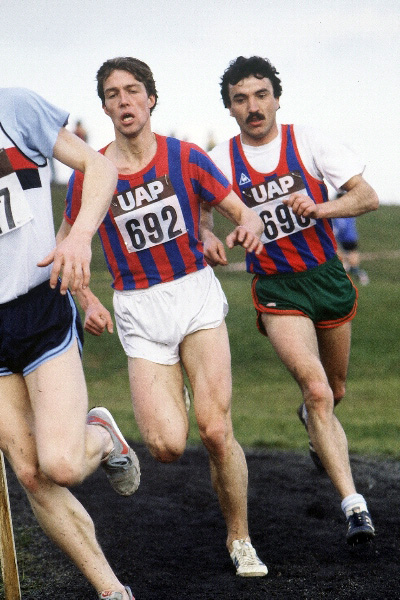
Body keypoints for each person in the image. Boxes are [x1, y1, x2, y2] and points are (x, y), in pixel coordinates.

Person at [58, 56, 268, 577]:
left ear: (152, 99)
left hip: (194, 294)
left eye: (133, 91)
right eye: (113, 94)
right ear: (104, 107)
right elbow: (66, 244)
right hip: (139, 308)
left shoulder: (187, 157)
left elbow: (240, 209)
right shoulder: (94, 172)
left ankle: (240, 539)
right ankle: (110, 431)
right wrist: (88, 301)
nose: (124, 101)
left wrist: (244, 226)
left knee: (216, 431)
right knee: (169, 446)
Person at [203, 56, 379, 545]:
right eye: (241, 99)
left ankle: (312, 420)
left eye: (261, 95)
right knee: (318, 390)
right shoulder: (219, 159)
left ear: (276, 97)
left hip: (326, 279)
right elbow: (195, 207)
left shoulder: (309, 141)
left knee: (334, 390)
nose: (253, 107)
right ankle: (354, 507)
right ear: (230, 108)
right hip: (277, 288)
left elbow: (366, 196)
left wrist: (322, 206)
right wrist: (207, 236)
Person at [0, 87, 139, 600]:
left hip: (38, 307)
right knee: (32, 474)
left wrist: (79, 236)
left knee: (60, 464)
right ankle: (112, 591)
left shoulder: (13, 108)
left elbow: (99, 168)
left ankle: (100, 432)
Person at [333, 193, 369, 285]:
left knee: (346, 256)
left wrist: (334, 233)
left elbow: (341, 226)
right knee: (351, 255)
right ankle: (354, 271)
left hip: (346, 238)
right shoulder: (349, 211)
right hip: (351, 237)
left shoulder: (341, 213)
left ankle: (356, 273)